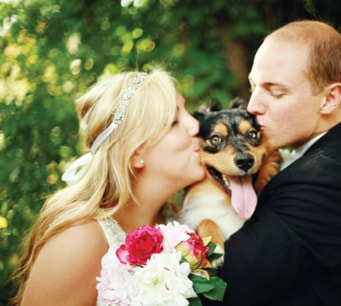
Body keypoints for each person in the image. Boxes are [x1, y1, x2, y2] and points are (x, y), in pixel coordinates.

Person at [204, 20, 341, 305]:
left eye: (276, 91)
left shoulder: (323, 181)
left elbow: (221, 288)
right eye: (254, 86)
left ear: (329, 98)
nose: (253, 106)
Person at [11, 68, 205, 305]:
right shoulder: (78, 242)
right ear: (135, 153)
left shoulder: (176, 220)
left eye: (187, 111)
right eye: (174, 121)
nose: (196, 125)